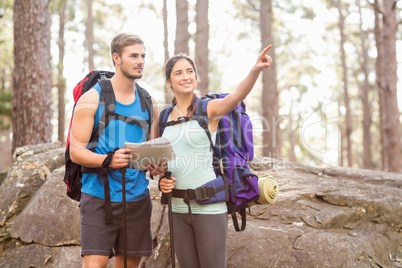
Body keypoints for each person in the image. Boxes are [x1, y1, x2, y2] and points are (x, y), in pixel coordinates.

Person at [156, 45, 273, 268]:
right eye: (178, 73)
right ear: (169, 82)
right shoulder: (162, 117)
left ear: (196, 77)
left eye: (189, 71)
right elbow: (160, 163)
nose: (185, 76)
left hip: (209, 208)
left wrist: (256, 69)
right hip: (177, 209)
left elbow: (237, 96)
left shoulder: (208, 109)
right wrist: (161, 180)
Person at [69, 33, 159, 268]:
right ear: (116, 58)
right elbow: (75, 152)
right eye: (133, 56)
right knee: (94, 264)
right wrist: (108, 160)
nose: (140, 61)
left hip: (138, 197)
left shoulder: (148, 101)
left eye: (143, 56)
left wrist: (155, 165)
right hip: (99, 196)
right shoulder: (92, 98)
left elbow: (153, 149)